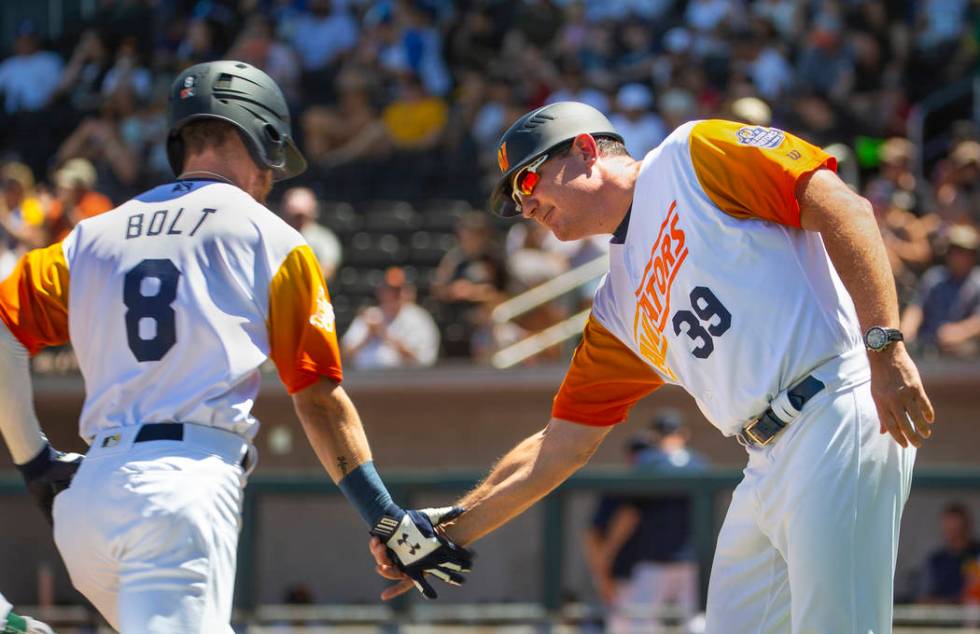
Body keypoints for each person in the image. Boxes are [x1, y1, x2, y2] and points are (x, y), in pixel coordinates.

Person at [373, 101, 935, 634]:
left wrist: (884, 346)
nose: (524, 207)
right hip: (765, 460)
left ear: (587, 150)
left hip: (834, 404)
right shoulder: (616, 302)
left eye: (525, 181)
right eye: (513, 201)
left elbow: (843, 207)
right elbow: (559, 446)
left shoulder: (692, 154)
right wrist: (447, 527)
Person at [0, 61, 470, 633]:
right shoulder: (272, 237)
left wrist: (33, 459)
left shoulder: (93, 235)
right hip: (182, 489)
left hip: (88, 494)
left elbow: (2, 331)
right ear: (265, 139)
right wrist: (384, 516)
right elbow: (318, 400)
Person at [584, 412, 708, 633]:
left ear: (653, 436)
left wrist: (607, 556)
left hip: (654, 558)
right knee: (695, 620)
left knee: (640, 623)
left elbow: (628, 517)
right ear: (683, 434)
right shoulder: (699, 464)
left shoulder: (649, 464)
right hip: (691, 558)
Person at [901, 225, 980, 358]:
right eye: (953, 251)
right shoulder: (934, 277)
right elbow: (916, 309)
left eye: (963, 252)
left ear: (973, 255)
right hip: (929, 349)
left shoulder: (977, 281)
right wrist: (905, 333)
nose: (958, 256)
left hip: (967, 356)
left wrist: (961, 331)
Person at [341, 266, 440, 369]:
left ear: (407, 292)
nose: (393, 295)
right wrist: (368, 337)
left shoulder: (418, 318)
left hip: (404, 380)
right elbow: (344, 356)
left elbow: (423, 359)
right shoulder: (370, 315)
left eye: (398, 291)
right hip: (366, 380)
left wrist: (385, 335)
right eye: (389, 289)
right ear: (380, 291)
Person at [918, 503, 980, 604]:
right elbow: (924, 598)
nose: (954, 533)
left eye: (958, 529)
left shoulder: (977, 555)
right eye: (950, 529)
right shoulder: (935, 561)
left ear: (967, 527)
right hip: (943, 617)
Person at [280, 187, 342, 281]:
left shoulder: (324, 237)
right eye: (295, 216)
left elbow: (328, 268)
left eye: (302, 216)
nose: (299, 220)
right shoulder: (277, 235)